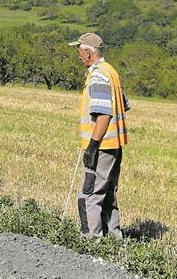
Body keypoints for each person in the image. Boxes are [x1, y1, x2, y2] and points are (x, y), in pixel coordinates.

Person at [69, 32, 131, 239]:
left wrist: (92, 146)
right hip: (115, 145)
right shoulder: (110, 71)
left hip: (102, 146)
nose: (78, 55)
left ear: (88, 52)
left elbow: (103, 115)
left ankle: (91, 240)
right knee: (108, 194)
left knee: (90, 194)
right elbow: (125, 104)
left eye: (79, 50)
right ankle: (113, 239)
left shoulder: (97, 75)